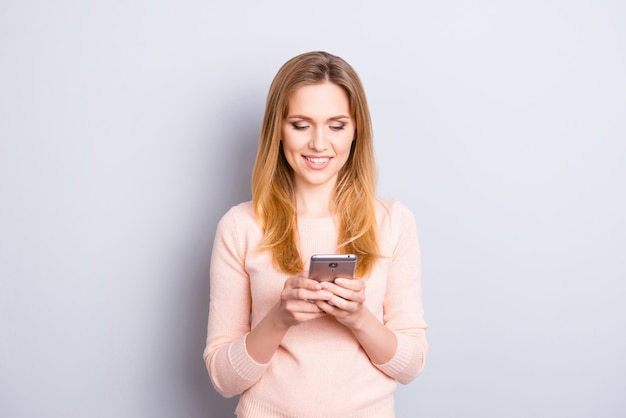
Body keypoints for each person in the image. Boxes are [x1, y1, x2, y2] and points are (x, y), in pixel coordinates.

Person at [203, 51, 428, 418]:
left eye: (336, 126)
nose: (319, 144)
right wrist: (280, 317)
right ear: (277, 128)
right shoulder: (240, 226)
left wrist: (358, 317)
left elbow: (410, 365)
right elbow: (223, 380)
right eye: (301, 124)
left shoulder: (393, 221)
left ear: (356, 131)